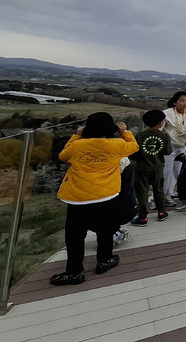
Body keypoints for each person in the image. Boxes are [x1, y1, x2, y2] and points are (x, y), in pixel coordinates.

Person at [51, 112, 139, 285]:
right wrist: (124, 132)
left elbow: (63, 156)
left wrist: (77, 134)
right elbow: (134, 146)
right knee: (105, 230)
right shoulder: (117, 145)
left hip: (78, 197)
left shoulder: (77, 145)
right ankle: (104, 260)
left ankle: (74, 271)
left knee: (75, 235)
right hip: (106, 195)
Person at [130, 110, 172, 227]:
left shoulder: (139, 136)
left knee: (141, 192)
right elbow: (168, 151)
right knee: (158, 189)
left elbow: (133, 154)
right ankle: (161, 212)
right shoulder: (164, 136)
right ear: (160, 123)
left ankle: (142, 217)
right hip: (158, 168)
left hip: (141, 168)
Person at [162, 91, 186, 204]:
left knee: (176, 171)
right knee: (166, 171)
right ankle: (161, 195)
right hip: (169, 147)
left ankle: (169, 193)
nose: (185, 103)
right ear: (175, 102)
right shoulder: (167, 113)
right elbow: (160, 128)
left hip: (182, 146)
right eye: (182, 100)